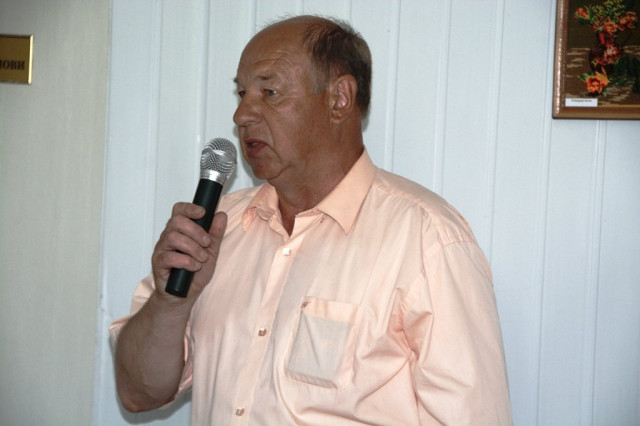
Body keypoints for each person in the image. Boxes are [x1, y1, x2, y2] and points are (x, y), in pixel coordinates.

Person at [111, 15, 512, 425]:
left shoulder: (428, 239)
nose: (242, 115)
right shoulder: (215, 230)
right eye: (242, 93)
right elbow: (137, 394)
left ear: (339, 98)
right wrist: (170, 302)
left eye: (270, 92)